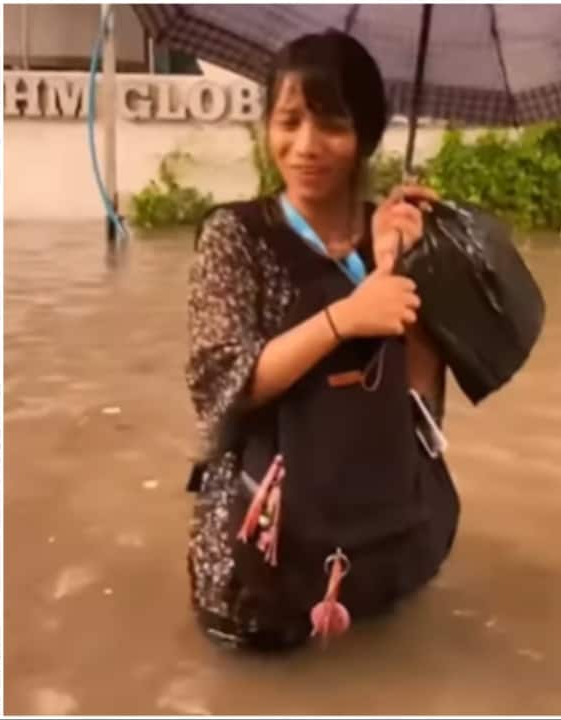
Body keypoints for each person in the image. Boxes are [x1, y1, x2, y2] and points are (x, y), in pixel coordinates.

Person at [185, 31, 459, 651]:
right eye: (289, 121)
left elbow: (424, 410)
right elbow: (221, 385)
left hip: (384, 539)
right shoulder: (235, 237)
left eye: (331, 123)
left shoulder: (397, 237)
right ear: (267, 128)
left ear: (365, 133)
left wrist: (402, 268)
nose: (306, 146)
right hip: (261, 556)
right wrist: (345, 316)